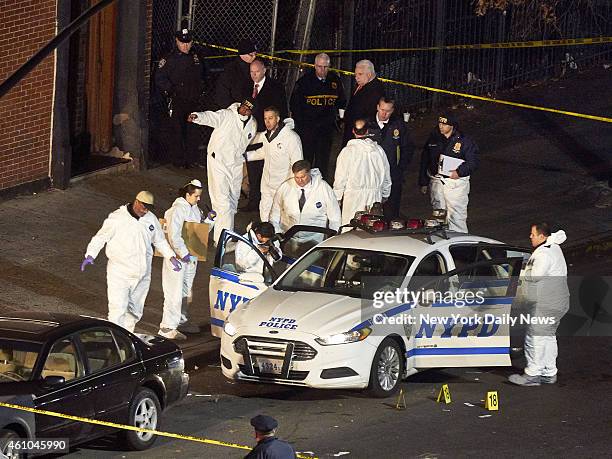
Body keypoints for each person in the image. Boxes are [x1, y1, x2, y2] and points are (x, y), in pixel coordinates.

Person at [81, 191, 181, 333]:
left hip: (143, 274)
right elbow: (100, 237)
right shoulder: (117, 218)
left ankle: (127, 337)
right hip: (120, 273)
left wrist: (171, 256)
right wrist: (90, 254)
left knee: (135, 310)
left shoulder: (150, 219)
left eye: (148, 208)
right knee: (118, 309)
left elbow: (159, 240)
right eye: (143, 207)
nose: (145, 211)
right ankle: (116, 338)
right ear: (136, 202)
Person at [188, 98, 258, 245]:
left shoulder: (252, 125)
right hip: (218, 162)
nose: (244, 110)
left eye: (248, 109)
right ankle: (223, 240)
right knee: (222, 202)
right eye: (243, 107)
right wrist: (197, 117)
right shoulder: (227, 115)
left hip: (236, 165)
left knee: (232, 202)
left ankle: (225, 234)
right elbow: (211, 117)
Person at [509, 223, 570, 386]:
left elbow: (535, 276)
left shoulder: (543, 254)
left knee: (534, 338)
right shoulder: (554, 247)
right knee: (548, 337)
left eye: (533, 234)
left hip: (546, 304)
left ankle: (532, 374)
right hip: (559, 301)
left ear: (542, 236)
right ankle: (549, 372)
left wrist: (521, 272)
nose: (530, 236)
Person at [159, 180, 217, 340]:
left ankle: (182, 321)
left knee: (186, 291)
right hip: (177, 258)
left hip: (190, 258)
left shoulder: (195, 209)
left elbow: (200, 232)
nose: (199, 199)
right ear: (188, 194)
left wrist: (209, 221)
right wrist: (182, 253)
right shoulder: (176, 210)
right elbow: (173, 235)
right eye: (196, 196)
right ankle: (167, 326)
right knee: (174, 291)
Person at [418, 113, 479, 233]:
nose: (441, 126)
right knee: (438, 214)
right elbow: (425, 159)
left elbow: (473, 162)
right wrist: (423, 181)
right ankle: (441, 239)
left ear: (452, 125)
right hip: (437, 180)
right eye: (440, 123)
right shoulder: (434, 138)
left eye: (444, 124)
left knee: (456, 216)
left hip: (455, 182)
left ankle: (459, 242)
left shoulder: (464, 141)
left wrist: (459, 172)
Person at [290, 53, 346, 180]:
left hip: (326, 129)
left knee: (323, 161)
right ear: (315, 66)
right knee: (307, 159)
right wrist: (302, 125)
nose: (323, 70)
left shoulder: (335, 81)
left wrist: (337, 119)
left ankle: (321, 186)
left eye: (326, 67)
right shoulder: (304, 82)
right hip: (308, 129)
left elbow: (341, 101)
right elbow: (294, 105)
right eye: (320, 66)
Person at [243, 59, 289, 212]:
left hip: (268, 133)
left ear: (264, 70)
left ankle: (270, 204)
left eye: (256, 72)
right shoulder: (246, 86)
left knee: (267, 169)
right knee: (253, 169)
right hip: (251, 134)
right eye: (251, 72)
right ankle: (253, 201)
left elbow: (281, 109)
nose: (254, 75)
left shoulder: (275, 87)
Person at [155, 28, 205, 168]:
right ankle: (178, 160)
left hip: (193, 99)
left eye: (188, 43)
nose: (185, 46)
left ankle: (192, 159)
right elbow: (160, 78)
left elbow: (202, 75)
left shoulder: (196, 57)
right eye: (182, 43)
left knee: (193, 130)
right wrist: (171, 90)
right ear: (177, 41)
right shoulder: (169, 58)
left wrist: (202, 89)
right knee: (176, 130)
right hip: (177, 99)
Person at [246, 106, 303, 222]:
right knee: (265, 214)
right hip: (267, 184)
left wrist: (293, 188)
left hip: (282, 185)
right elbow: (264, 152)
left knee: (282, 218)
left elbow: (298, 164)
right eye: (265, 118)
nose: (267, 122)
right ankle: (265, 237)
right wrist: (242, 156)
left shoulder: (291, 138)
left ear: (277, 118)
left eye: (270, 118)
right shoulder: (267, 135)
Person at [334, 119, 392, 226]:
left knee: (351, 230)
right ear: (367, 131)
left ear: (353, 131)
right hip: (375, 198)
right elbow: (387, 177)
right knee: (371, 230)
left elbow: (340, 178)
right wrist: (385, 194)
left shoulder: (347, 152)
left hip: (353, 199)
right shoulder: (379, 151)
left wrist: (337, 198)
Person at [269, 160, 341, 244]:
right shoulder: (285, 187)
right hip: (289, 239)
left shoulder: (323, 188)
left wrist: (333, 238)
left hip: (315, 240)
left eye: (303, 177)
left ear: (309, 173)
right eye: (297, 177)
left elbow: (335, 217)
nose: (300, 181)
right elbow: (275, 214)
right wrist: (278, 234)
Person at [368, 97, 414, 219]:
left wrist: (400, 169)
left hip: (393, 174)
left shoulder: (398, 125)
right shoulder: (367, 124)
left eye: (388, 111)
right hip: (371, 174)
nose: (384, 113)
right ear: (377, 107)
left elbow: (407, 148)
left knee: (391, 210)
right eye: (382, 109)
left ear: (392, 110)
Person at [342, 59, 385, 146]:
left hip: (362, 135)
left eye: (360, 74)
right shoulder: (362, 85)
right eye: (356, 74)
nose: (356, 77)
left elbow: (371, 114)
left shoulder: (376, 90)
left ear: (369, 74)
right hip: (354, 130)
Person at [215, 38, 257, 109]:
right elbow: (223, 94)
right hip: (234, 107)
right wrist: (236, 108)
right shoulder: (231, 70)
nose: (254, 57)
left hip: (248, 105)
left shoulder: (254, 66)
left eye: (255, 54)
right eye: (251, 54)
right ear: (242, 54)